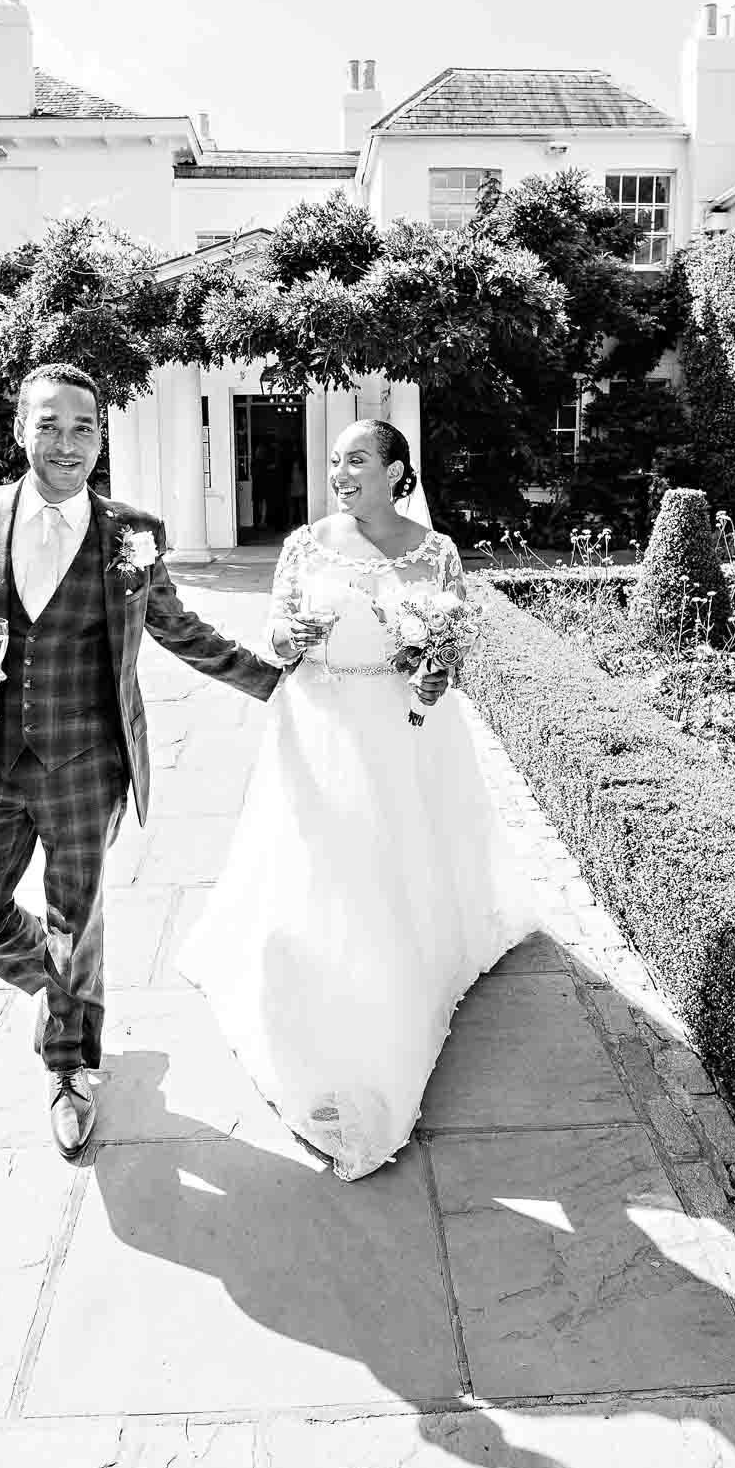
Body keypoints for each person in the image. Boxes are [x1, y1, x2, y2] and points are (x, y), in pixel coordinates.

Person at [0, 361, 281, 1160]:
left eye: (84, 427)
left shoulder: (131, 532)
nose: (67, 443)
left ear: (100, 437)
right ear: (20, 428)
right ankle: (63, 989)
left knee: (80, 916)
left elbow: (180, 631)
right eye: (49, 424)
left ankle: (72, 1067)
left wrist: (280, 689)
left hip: (86, 764)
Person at [177, 420, 548, 1180]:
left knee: (394, 861)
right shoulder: (305, 545)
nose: (340, 473)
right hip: (317, 720)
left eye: (357, 461)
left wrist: (435, 673)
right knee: (321, 866)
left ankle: (396, 991)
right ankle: (319, 997)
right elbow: (279, 637)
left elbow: (450, 649)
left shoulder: (434, 551)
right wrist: (291, 638)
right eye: (336, 461)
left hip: (403, 728)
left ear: (396, 471)